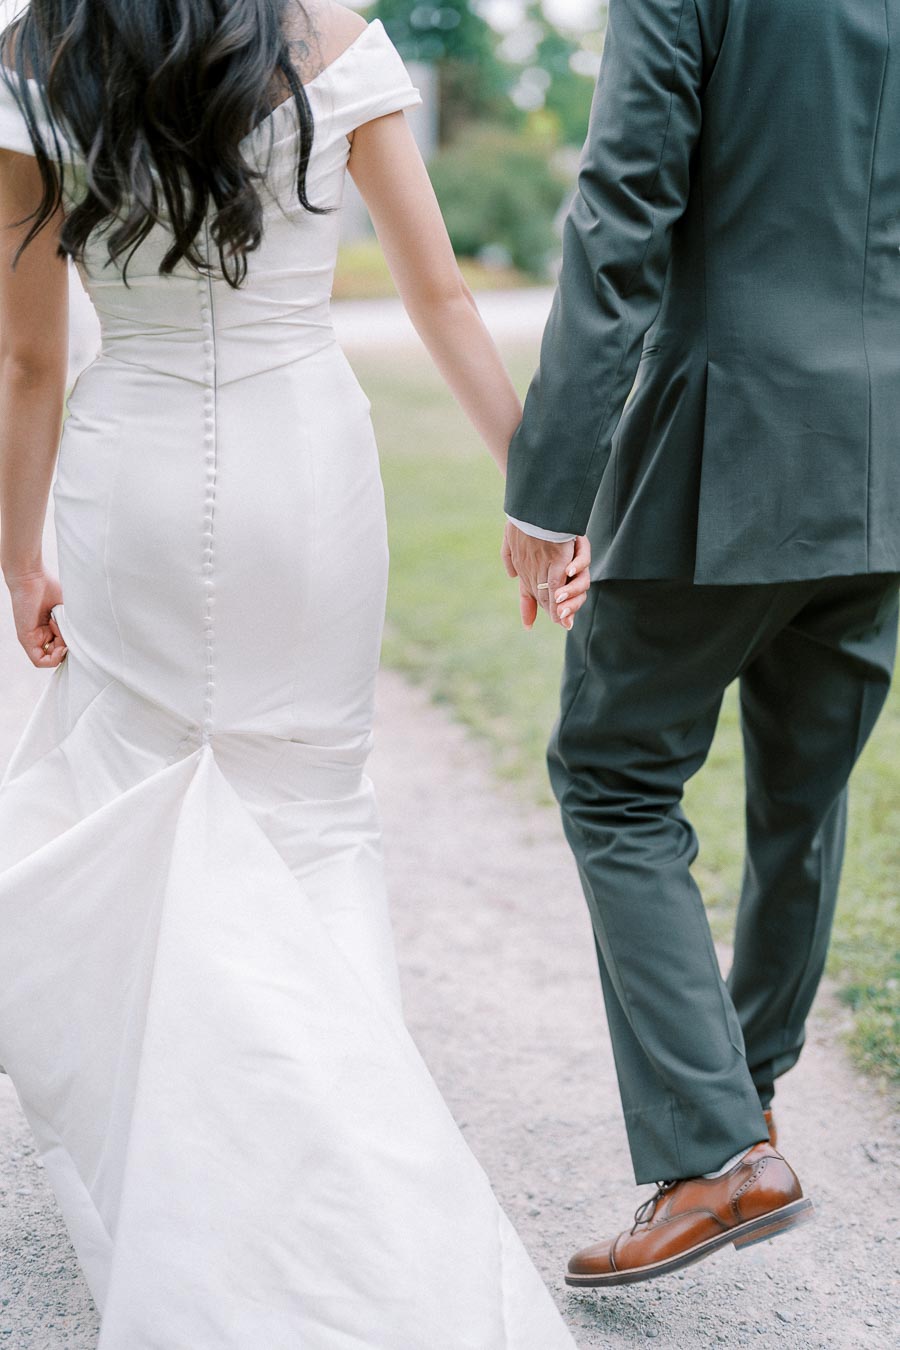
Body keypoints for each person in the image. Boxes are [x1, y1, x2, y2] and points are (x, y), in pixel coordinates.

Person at [0, 2, 593, 1343]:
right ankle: (359, 1195)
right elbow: (440, 290)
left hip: (130, 477)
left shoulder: (39, 61)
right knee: (316, 821)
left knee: (145, 813)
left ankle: (196, 1180)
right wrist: (539, 491)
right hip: (303, 467)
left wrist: (17, 554)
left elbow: (31, 352)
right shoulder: (336, 36)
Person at [502, 0, 900, 1287]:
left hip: (730, 432)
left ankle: (714, 1156)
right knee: (804, 791)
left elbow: (624, 210)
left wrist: (549, 491)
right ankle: (750, 1104)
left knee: (613, 774)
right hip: (883, 452)